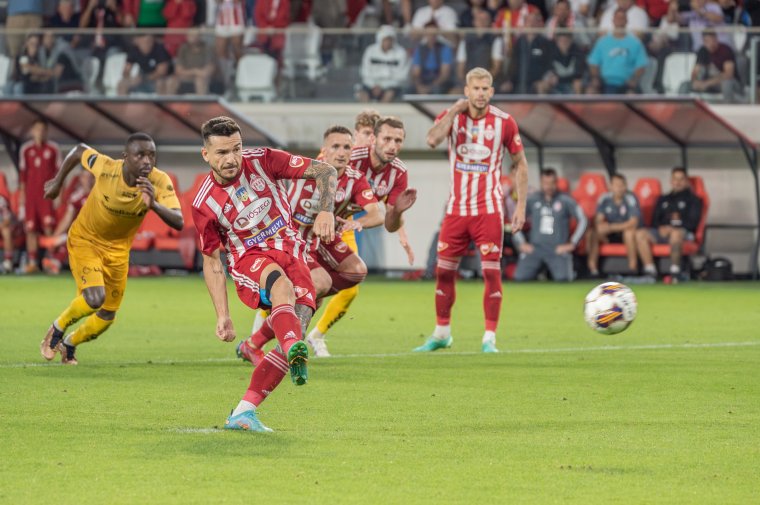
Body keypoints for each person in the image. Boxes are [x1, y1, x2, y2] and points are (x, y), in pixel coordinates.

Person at [191, 116, 337, 432]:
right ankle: (290, 343)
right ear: (206, 155)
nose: (231, 159)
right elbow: (212, 261)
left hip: (293, 251)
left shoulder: (265, 160)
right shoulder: (204, 203)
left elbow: (325, 171)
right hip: (250, 259)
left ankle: (244, 411)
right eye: (221, 153)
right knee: (281, 288)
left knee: (294, 333)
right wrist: (222, 315)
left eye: (236, 149)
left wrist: (326, 210)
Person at [239, 125, 384, 360]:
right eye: (335, 146)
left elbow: (377, 214)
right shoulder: (307, 170)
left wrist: (357, 223)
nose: (341, 152)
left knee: (356, 271)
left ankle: (298, 299)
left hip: (319, 240)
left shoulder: (354, 179)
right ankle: (256, 343)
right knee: (320, 283)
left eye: (347, 147)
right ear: (323, 150)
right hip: (290, 240)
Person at [40, 133, 183, 365]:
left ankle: (70, 343)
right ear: (126, 157)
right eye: (140, 155)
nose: (147, 161)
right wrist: (58, 181)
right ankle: (57, 328)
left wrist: (154, 204)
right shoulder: (106, 168)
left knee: (107, 315)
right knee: (95, 298)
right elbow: (79, 150)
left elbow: (179, 221)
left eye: (151, 155)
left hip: (118, 251)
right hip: (86, 240)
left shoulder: (158, 181)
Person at [417, 67, 528, 354]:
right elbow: (432, 140)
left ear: (492, 91)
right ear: (466, 91)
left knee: (491, 273)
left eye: (485, 89)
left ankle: (489, 337)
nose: (480, 94)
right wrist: (455, 110)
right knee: (443, 272)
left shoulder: (504, 122)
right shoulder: (453, 116)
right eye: (475, 89)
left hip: (488, 210)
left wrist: (521, 207)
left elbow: (520, 163)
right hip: (456, 210)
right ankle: (442, 333)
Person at [306, 117, 417, 350]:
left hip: (346, 223)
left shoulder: (398, 172)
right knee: (298, 279)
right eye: (387, 139)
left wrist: (398, 213)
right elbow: (313, 177)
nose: (392, 146)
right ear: (373, 139)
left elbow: (387, 221)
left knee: (350, 282)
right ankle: (260, 334)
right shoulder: (351, 157)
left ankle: (316, 335)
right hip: (313, 222)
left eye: (398, 141)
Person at [513, 168, 587, 282]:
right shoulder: (532, 199)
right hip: (535, 249)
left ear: (556, 182)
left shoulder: (566, 200)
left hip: (557, 250)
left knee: (564, 280)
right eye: (546, 183)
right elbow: (516, 219)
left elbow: (583, 219)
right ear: (541, 183)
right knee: (520, 278)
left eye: (552, 183)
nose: (549, 186)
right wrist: (521, 242)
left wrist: (573, 243)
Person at [635, 167, 703, 281]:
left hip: (684, 234)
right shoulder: (663, 199)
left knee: (676, 234)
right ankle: (650, 270)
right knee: (640, 233)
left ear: (686, 181)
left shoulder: (694, 200)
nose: (678, 182)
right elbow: (655, 220)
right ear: (671, 181)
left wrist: (673, 229)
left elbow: (693, 223)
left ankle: (675, 271)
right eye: (675, 179)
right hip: (662, 233)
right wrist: (660, 228)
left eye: (681, 179)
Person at [19, 120, 60, 273]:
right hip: (31, 197)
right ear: (32, 131)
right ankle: (32, 262)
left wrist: (58, 195)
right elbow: (22, 176)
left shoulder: (53, 149)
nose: (40, 132)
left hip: (47, 196)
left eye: (43, 129)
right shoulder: (26, 149)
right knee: (30, 229)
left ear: (46, 132)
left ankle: (50, 260)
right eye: (37, 129)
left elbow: (59, 174)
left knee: (48, 227)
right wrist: (22, 198)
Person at [587, 173, 641, 277]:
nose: (619, 188)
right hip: (609, 235)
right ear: (610, 186)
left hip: (625, 233)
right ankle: (592, 269)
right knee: (593, 232)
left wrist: (611, 227)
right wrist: (602, 226)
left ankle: (633, 268)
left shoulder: (631, 198)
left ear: (626, 186)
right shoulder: (604, 198)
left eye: (622, 185)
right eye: (616, 185)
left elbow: (633, 222)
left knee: (629, 233)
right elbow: (598, 220)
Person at [586, 9, 649, 94]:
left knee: (631, 95)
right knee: (590, 92)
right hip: (604, 83)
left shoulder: (635, 43)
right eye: (617, 18)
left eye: (622, 18)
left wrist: (634, 79)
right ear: (613, 20)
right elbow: (593, 63)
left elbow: (641, 65)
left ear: (626, 21)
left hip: (626, 84)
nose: (620, 20)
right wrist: (595, 77)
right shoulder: (602, 41)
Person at [680, 30, 743, 102]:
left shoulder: (725, 50)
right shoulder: (702, 51)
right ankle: (681, 107)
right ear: (703, 41)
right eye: (707, 41)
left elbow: (728, 74)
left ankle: (728, 106)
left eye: (712, 40)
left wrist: (707, 83)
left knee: (727, 84)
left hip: (727, 83)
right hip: (707, 84)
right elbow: (695, 71)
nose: (711, 44)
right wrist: (695, 81)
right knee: (684, 86)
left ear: (716, 39)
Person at [358, 25, 410, 102]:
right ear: (380, 39)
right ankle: (369, 110)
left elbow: (402, 76)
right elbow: (365, 71)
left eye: (390, 40)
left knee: (389, 94)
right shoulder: (370, 51)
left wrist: (382, 86)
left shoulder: (401, 53)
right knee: (361, 94)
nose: (388, 42)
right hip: (371, 84)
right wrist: (374, 85)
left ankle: (382, 110)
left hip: (391, 86)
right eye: (385, 39)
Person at [410, 20, 455, 94]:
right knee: (409, 89)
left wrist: (430, 87)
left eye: (434, 34)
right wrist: (419, 86)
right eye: (429, 34)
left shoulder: (445, 48)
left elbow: (444, 74)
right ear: (425, 34)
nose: (431, 36)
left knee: (437, 90)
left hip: (438, 81)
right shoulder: (420, 49)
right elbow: (416, 73)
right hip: (424, 80)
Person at [166, 29, 215, 95]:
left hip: (201, 77)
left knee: (200, 81)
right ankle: (169, 100)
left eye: (197, 36)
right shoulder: (183, 48)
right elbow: (178, 70)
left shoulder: (207, 48)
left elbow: (208, 71)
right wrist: (195, 71)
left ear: (200, 37)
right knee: (171, 80)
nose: (194, 38)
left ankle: (201, 101)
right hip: (187, 75)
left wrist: (197, 73)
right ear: (187, 37)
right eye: (192, 36)